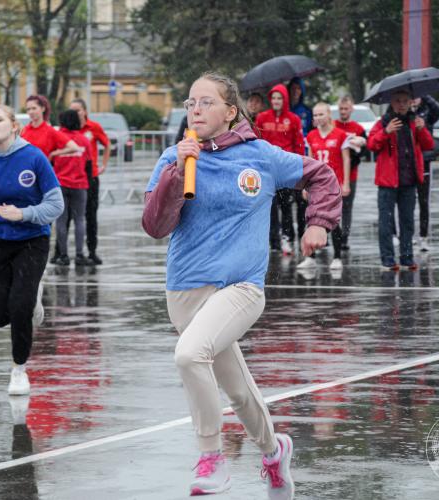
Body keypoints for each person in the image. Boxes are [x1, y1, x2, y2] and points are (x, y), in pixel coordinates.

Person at [143, 71, 341, 497]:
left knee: (188, 355)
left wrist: (319, 223)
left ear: (231, 111)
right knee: (237, 389)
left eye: (206, 102)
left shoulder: (261, 156)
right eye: (190, 102)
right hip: (184, 291)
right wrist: (176, 174)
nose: (195, 109)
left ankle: (212, 457)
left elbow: (322, 175)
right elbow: (155, 225)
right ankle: (273, 451)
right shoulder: (172, 158)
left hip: (241, 288)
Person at [0, 104, 63, 395]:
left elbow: (56, 205)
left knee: (19, 306)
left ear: (14, 126)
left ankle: (19, 369)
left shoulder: (34, 158)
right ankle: (30, 301)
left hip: (32, 239)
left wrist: (24, 214)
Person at [367, 90, 434, 271]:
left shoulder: (415, 122)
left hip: (409, 181)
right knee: (386, 223)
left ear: (410, 102)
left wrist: (422, 129)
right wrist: (386, 132)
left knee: (407, 222)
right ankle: (387, 259)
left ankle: (407, 257)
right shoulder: (383, 122)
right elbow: (371, 145)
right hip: (387, 182)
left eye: (405, 101)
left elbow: (429, 145)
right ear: (392, 103)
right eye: (398, 101)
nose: (402, 105)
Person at [300, 102, 352, 272]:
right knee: (312, 218)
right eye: (315, 115)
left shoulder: (340, 135)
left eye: (321, 114)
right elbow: (309, 161)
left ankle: (337, 257)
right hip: (316, 186)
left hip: (333, 185)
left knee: (333, 221)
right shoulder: (312, 136)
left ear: (329, 114)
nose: (318, 118)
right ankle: (311, 257)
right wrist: (305, 186)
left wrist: (345, 183)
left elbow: (346, 159)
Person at [255, 84, 304, 254]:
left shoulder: (293, 119)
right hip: (267, 171)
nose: (276, 101)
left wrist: (299, 168)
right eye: (274, 98)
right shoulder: (262, 118)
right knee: (270, 206)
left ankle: (287, 238)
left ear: (285, 100)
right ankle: (273, 241)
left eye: (279, 98)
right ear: (270, 100)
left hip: (286, 170)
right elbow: (256, 142)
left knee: (286, 206)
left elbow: (299, 145)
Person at [69, 98, 110, 264]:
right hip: (71, 177)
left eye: (78, 110)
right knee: (68, 216)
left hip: (90, 176)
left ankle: (92, 251)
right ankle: (62, 252)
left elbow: (107, 144)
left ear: (84, 111)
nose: (75, 114)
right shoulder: (68, 129)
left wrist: (104, 164)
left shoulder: (93, 127)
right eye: (72, 110)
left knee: (90, 215)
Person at [53, 109, 92, 266]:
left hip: (60, 184)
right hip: (79, 184)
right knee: (79, 220)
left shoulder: (58, 139)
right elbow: (89, 164)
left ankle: (63, 255)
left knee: (61, 221)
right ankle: (79, 254)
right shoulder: (83, 140)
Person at [334, 95, 368, 250]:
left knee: (347, 207)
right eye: (341, 109)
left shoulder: (358, 128)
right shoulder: (333, 125)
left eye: (346, 109)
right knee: (332, 206)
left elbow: (365, 152)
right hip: (334, 173)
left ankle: (345, 237)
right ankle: (334, 234)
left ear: (351, 109)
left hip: (351, 174)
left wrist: (357, 148)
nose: (343, 112)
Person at [410, 95, 439, 250]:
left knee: (423, 201)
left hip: (424, 160)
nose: (414, 99)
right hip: (408, 162)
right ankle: (408, 235)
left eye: (415, 97)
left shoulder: (428, 111)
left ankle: (423, 236)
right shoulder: (404, 113)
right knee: (408, 201)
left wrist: (424, 95)